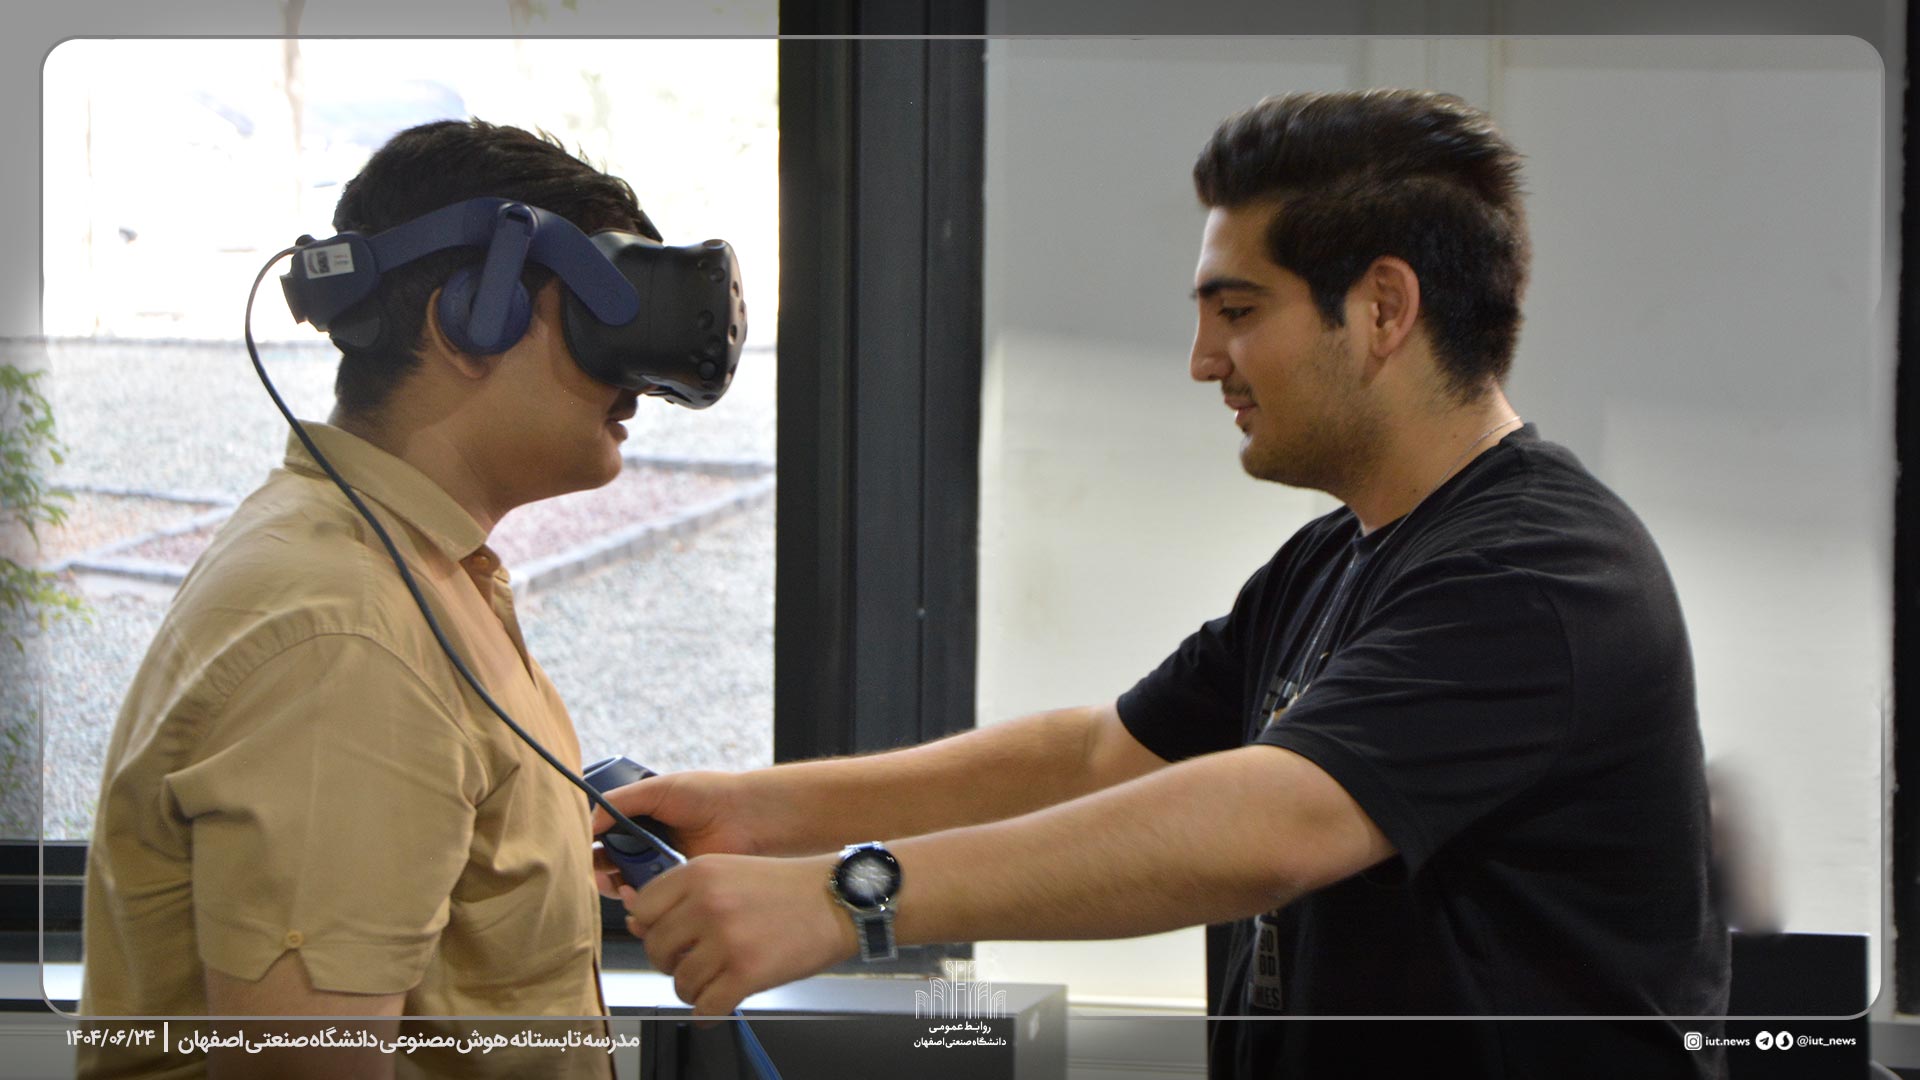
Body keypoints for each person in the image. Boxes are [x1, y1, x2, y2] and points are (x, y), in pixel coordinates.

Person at [594, 89, 1730, 1078]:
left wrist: (845, 898)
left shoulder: (1540, 573)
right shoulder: (1334, 560)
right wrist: (757, 813)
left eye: (1238, 312)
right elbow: (1099, 752)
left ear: (1384, 309)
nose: (1203, 361)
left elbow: (1273, 825)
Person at [78, 119, 659, 1079]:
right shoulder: (349, 641)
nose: (639, 379)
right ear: (470, 319)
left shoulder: (402, 570)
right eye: (605, 321)